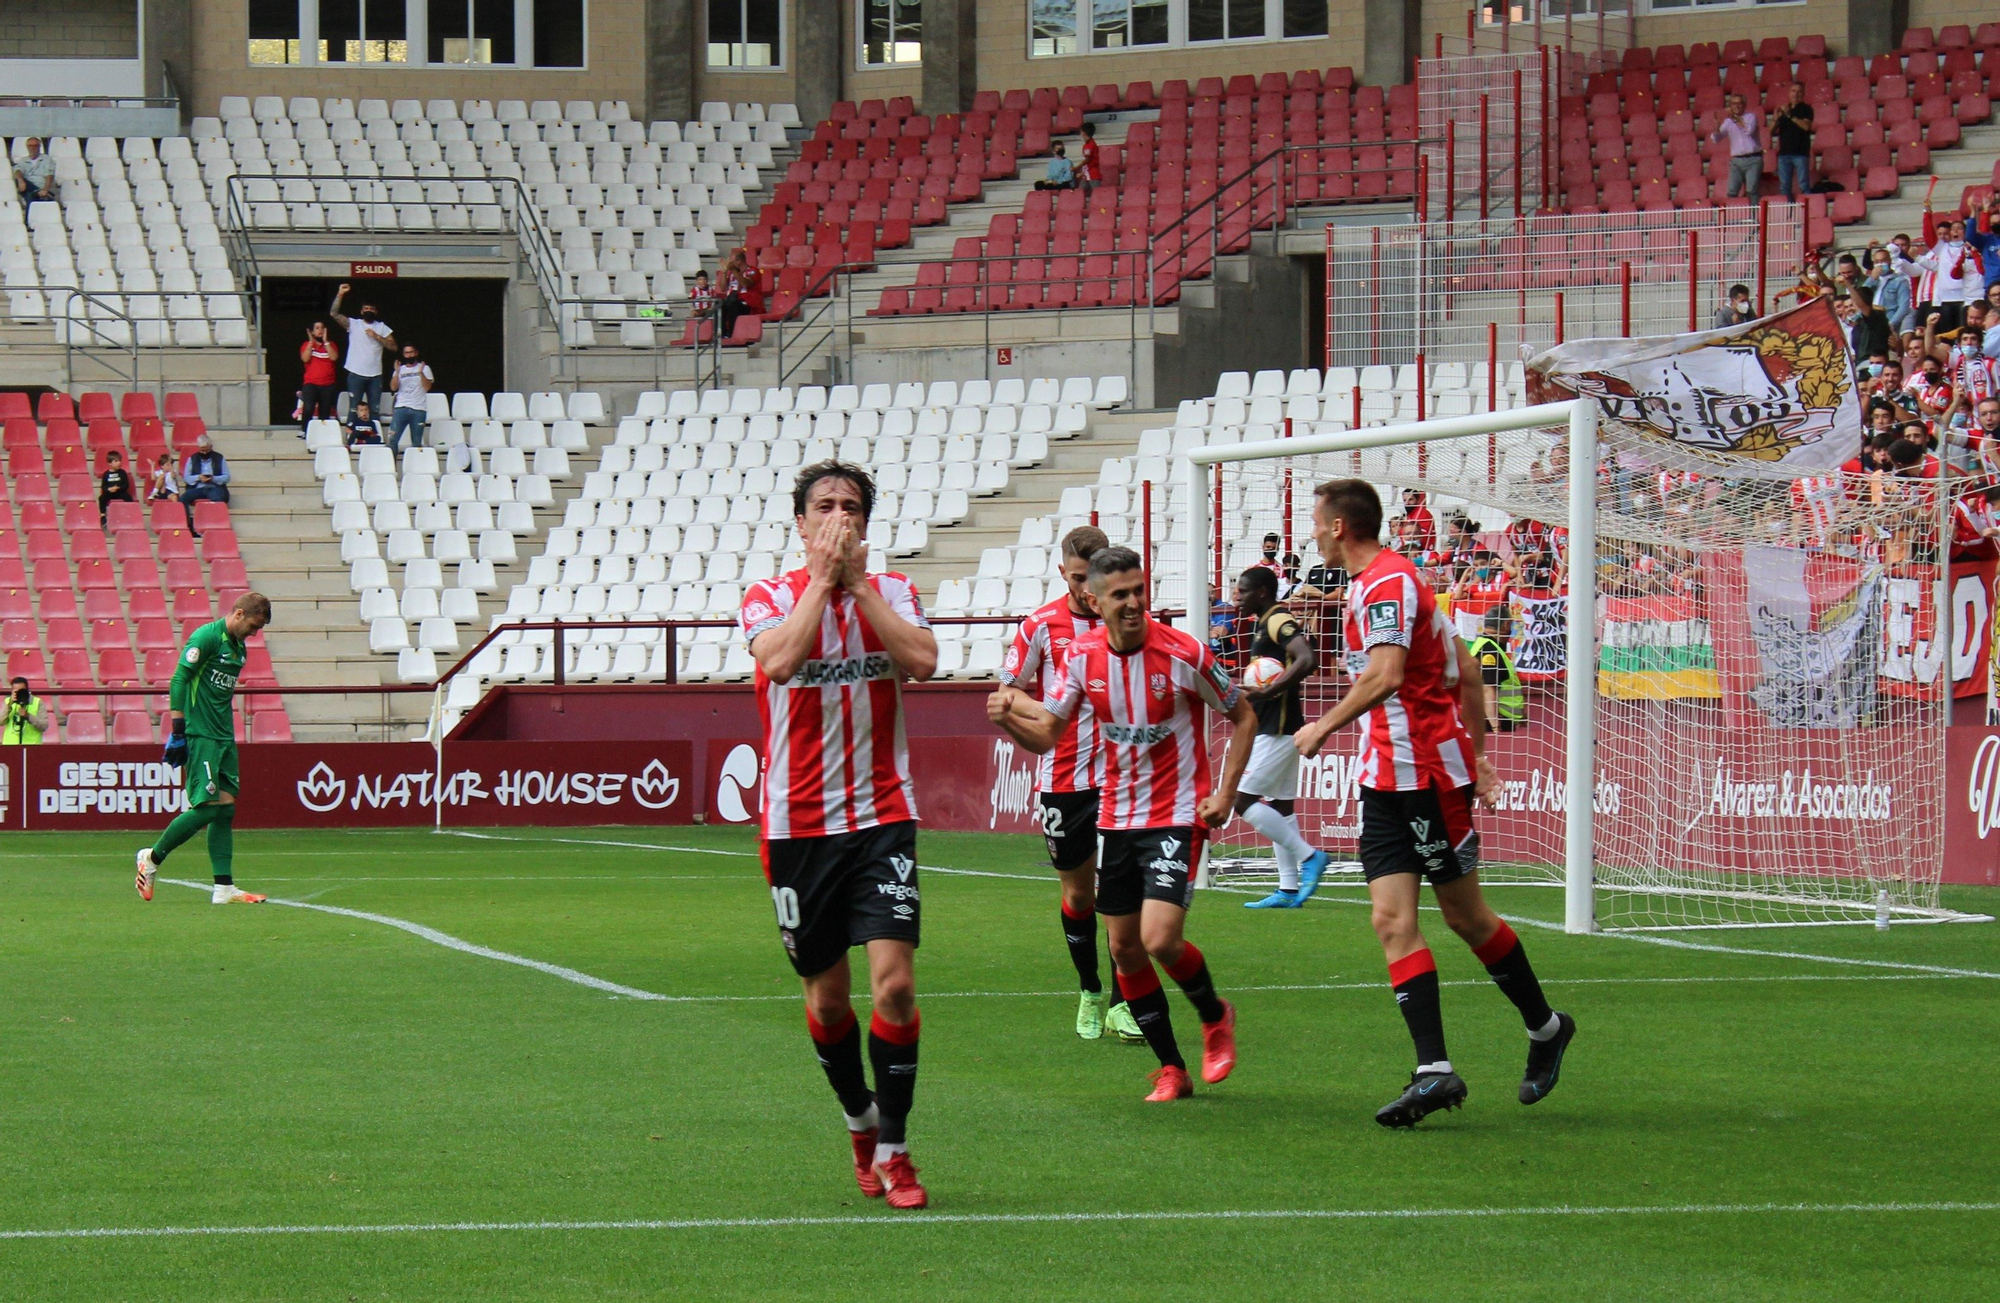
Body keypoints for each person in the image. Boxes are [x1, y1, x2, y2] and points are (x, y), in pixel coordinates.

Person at [1292, 479, 1574, 1128]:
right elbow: (1465, 670)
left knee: (1465, 917)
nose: (1312, 532)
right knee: (1390, 920)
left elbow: (1388, 673)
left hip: (1424, 775)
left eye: (1315, 521)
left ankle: (1547, 1027)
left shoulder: (1390, 582)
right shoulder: (1377, 585)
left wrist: (1323, 725)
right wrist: (1479, 753)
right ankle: (1433, 1070)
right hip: (1382, 779)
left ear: (1338, 527)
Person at [988, 546, 1257, 1103]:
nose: (1134, 603)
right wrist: (1009, 722)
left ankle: (1214, 1014)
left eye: (1139, 591)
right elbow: (1049, 735)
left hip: (1177, 811)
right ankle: (1172, 1069)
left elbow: (1244, 714)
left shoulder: (1184, 653)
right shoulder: (1081, 658)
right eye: (1120, 595)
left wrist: (1226, 793)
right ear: (1095, 601)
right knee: (1126, 949)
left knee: (1159, 938)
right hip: (1117, 816)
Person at [739, 460, 938, 1210]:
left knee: (896, 983)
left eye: (851, 506)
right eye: (823, 506)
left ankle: (896, 1148)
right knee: (827, 1001)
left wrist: (858, 586)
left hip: (882, 814)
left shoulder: (894, 591)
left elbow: (923, 662)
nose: (838, 518)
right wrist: (824, 584)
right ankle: (860, 1120)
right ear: (800, 523)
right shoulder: (768, 596)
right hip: (797, 825)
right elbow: (780, 661)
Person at [998, 525, 1142, 1043]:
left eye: (1092, 577)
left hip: (1123, 779)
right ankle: (1090, 989)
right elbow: (1008, 692)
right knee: (1079, 896)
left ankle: (1124, 1003)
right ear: (1064, 572)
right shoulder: (1041, 625)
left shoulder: (1129, 622)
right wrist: (1054, 708)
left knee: (1123, 895)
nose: (1085, 588)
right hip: (1063, 778)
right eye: (1077, 578)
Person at [135, 592, 274, 906]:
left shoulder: (238, 648)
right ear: (238, 614)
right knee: (209, 807)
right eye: (253, 626)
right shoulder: (206, 637)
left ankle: (223, 887)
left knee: (226, 810)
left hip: (223, 736)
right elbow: (179, 679)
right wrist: (178, 728)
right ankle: (151, 859)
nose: (254, 633)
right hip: (201, 734)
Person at [1231, 566, 1332, 910]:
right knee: (1281, 806)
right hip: (1278, 726)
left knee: (1241, 800)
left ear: (1261, 592)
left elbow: (1307, 658)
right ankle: (1288, 889)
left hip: (1278, 728)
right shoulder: (1263, 623)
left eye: (1243, 590)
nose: (1237, 596)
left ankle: (1310, 856)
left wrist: (1268, 690)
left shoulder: (1277, 619)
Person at [328, 282, 395, 416]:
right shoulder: (354, 324)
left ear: (376, 311)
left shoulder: (381, 327)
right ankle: (352, 430)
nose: (368, 311)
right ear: (361, 311)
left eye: (371, 309)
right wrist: (340, 294)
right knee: (354, 408)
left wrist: (377, 336)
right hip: (355, 373)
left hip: (375, 375)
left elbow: (393, 346)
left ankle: (374, 430)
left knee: (374, 410)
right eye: (366, 308)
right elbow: (333, 313)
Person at [1467, 606, 1525, 732]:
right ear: (1506, 624)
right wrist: (1496, 728)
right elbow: (1488, 690)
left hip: (1499, 720)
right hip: (1498, 721)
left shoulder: (1486, 645)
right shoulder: (1489, 650)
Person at [1710, 94, 1762, 199]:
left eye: (1739, 103)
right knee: (1732, 191)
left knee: (1751, 190)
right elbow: (1716, 139)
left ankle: (1754, 209)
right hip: (1737, 161)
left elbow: (1749, 130)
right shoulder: (1728, 122)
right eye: (1734, 104)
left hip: (1753, 159)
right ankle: (1733, 209)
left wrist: (1735, 118)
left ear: (1744, 105)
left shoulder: (1751, 117)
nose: (1736, 106)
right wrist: (1716, 128)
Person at [1771, 83, 1814, 202]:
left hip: (1800, 153)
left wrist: (1790, 116)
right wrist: (1775, 118)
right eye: (1793, 91)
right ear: (1789, 93)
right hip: (1784, 154)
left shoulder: (1806, 109)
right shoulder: (1783, 109)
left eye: (1799, 91)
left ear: (1803, 94)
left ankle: (1809, 210)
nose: (1796, 94)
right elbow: (1770, 131)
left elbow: (1806, 126)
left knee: (1804, 185)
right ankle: (1789, 211)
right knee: (1784, 187)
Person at [388, 343, 434, 451]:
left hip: (418, 409)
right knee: (392, 439)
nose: (409, 355)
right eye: (406, 353)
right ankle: (391, 461)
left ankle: (415, 461)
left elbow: (427, 387)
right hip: (401, 407)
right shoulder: (400, 369)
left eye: (411, 352)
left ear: (416, 353)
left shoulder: (425, 368)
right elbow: (393, 387)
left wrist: (421, 373)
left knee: (416, 442)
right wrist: (397, 372)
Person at [298, 320, 340, 435]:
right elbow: (305, 359)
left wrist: (326, 342)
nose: (320, 330)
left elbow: (334, 357)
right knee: (308, 408)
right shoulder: (306, 345)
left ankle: (322, 433)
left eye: (322, 327)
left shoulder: (331, 344)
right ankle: (305, 431)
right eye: (317, 328)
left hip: (328, 384)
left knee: (325, 410)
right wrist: (311, 344)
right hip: (311, 383)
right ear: (312, 332)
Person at [179, 434, 231, 525]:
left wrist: (213, 478)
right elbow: (186, 478)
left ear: (211, 447)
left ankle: (216, 524)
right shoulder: (192, 459)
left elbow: (227, 477)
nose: (204, 453)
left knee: (218, 499)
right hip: (198, 488)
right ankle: (187, 524)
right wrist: (198, 477)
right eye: (202, 450)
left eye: (206, 450)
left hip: (214, 488)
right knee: (183, 498)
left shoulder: (219, 458)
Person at [3, 675, 47, 745]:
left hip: (32, 745)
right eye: (16, 691)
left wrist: (28, 716)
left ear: (27, 690)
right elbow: (1, 722)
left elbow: (44, 726)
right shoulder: (8, 701)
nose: (19, 693)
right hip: (10, 745)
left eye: (22, 691)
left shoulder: (37, 702)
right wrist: (9, 705)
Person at [97, 449, 135, 528]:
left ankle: (131, 514)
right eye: (116, 461)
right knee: (101, 498)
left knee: (128, 497)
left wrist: (118, 488)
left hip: (120, 492)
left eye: (120, 461)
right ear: (109, 463)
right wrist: (109, 489)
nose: (119, 463)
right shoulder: (106, 474)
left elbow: (126, 485)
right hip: (110, 493)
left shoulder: (122, 472)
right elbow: (103, 486)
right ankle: (103, 516)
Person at [13, 137, 55, 205]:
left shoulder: (47, 159)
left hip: (41, 187)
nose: (33, 148)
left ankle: (37, 194)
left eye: (36, 145)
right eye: (30, 146)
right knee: (17, 180)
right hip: (27, 186)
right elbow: (18, 170)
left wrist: (45, 189)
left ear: (39, 147)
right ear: (27, 147)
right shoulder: (23, 160)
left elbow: (49, 176)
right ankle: (38, 193)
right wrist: (20, 180)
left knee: (29, 196)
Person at [1078, 122, 1102, 193]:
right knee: (1079, 193)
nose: (1080, 133)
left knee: (1097, 193)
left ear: (1084, 132)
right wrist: (1082, 172)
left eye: (1081, 131)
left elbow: (1087, 160)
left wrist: (1076, 167)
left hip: (1093, 173)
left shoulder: (1090, 145)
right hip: (1087, 173)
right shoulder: (1087, 145)